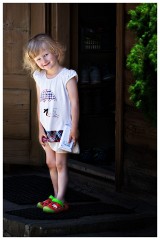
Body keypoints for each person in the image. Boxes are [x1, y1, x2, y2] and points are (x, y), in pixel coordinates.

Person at [23, 33, 79, 213]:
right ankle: (56, 196)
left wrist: (75, 128)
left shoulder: (67, 76)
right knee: (50, 163)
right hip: (48, 129)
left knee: (61, 163)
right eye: (38, 58)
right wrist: (40, 129)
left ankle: (61, 199)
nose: (43, 60)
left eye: (45, 54)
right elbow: (40, 103)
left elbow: (74, 103)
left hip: (64, 128)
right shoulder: (39, 77)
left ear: (55, 52)